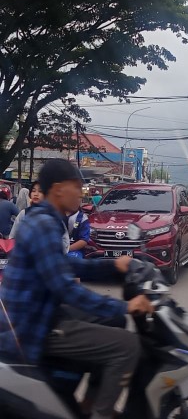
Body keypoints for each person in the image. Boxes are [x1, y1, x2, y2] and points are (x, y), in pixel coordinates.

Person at [0, 159, 154, 419]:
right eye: (77, 186)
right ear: (59, 189)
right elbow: (66, 288)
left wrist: (114, 266)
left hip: (40, 313)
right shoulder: (44, 225)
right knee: (127, 345)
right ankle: (102, 413)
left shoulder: (47, 219)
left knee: (114, 320)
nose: (82, 193)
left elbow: (66, 266)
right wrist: (125, 306)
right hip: (34, 326)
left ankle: (89, 403)